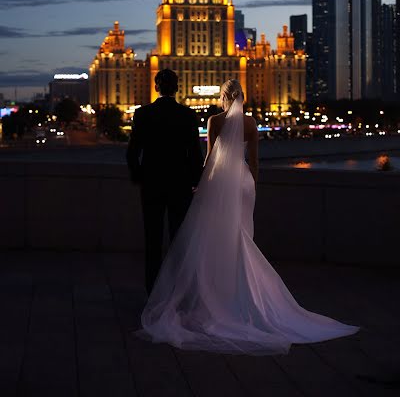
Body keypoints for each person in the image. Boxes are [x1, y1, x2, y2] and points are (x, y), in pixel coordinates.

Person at [135, 79, 359, 355]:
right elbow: (253, 161)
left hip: (220, 182)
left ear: (223, 97)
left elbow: (208, 159)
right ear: (242, 97)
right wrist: (252, 185)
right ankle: (239, 292)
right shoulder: (251, 123)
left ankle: (215, 292)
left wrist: (201, 184)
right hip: (243, 183)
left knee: (215, 237)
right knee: (240, 234)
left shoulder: (214, 121)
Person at [126, 68, 203, 295]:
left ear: (156, 86)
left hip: (151, 186)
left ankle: (153, 293)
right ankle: (177, 293)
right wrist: (194, 181)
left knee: (153, 240)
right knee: (179, 241)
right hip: (180, 186)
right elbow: (195, 155)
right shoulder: (188, 115)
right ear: (177, 88)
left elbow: (132, 153)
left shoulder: (143, 114)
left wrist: (139, 177)